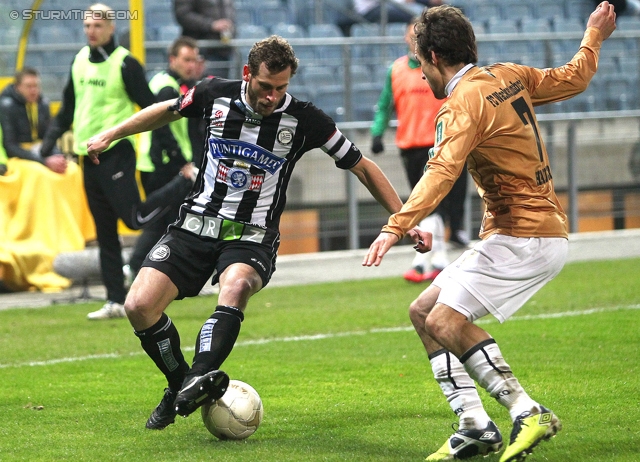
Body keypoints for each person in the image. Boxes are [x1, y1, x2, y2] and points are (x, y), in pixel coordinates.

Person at [85, 35, 403, 430]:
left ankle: (200, 374)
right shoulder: (212, 95)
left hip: (251, 235)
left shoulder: (306, 120)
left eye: (281, 88)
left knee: (234, 287)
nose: (272, 97)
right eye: (265, 87)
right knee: (138, 306)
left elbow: (363, 166)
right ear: (247, 74)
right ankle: (180, 383)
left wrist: (403, 219)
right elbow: (164, 111)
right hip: (195, 224)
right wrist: (111, 134)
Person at [363, 3, 616, 461]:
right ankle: (475, 425)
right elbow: (575, 78)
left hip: (523, 236)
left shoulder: (460, 106)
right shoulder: (508, 75)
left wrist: (394, 225)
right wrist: (593, 34)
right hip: (535, 232)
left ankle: (527, 409)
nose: (420, 74)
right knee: (424, 312)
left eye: (420, 62)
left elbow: (440, 171)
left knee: (444, 320)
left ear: (435, 56)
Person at [40, 3, 195, 320]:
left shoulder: (126, 64)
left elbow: (153, 112)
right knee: (105, 231)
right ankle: (115, 300)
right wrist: (47, 144)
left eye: (96, 26)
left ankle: (183, 183)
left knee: (135, 219)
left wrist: (178, 160)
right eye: (86, 26)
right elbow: (68, 108)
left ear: (111, 28)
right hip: (88, 158)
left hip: (117, 154)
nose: (90, 31)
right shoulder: (79, 61)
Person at [370, 16, 468, 283]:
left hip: (444, 143)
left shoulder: (440, 68)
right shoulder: (396, 69)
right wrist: (377, 133)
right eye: (411, 35)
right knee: (427, 205)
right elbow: (384, 104)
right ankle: (436, 260)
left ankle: (430, 260)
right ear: (405, 38)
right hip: (412, 146)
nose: (415, 40)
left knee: (441, 204)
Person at [126, 37, 201, 282]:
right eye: (186, 59)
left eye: (194, 60)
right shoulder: (167, 88)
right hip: (161, 164)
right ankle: (136, 267)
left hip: (157, 162)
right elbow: (161, 129)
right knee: (162, 222)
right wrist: (181, 162)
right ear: (173, 60)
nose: (191, 65)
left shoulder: (167, 82)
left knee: (167, 221)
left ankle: (160, 275)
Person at [0, 68, 67, 174]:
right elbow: (10, 147)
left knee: (71, 170)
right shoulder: (6, 106)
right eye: (28, 86)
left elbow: (48, 138)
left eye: (36, 86)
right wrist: (44, 161)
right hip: (18, 156)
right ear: (17, 87)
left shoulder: (43, 104)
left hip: (39, 152)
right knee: (38, 173)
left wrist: (57, 156)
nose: (33, 90)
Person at [174, 0, 235, 78]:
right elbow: (182, 14)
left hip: (223, 50)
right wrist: (211, 25)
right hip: (199, 49)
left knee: (220, 87)